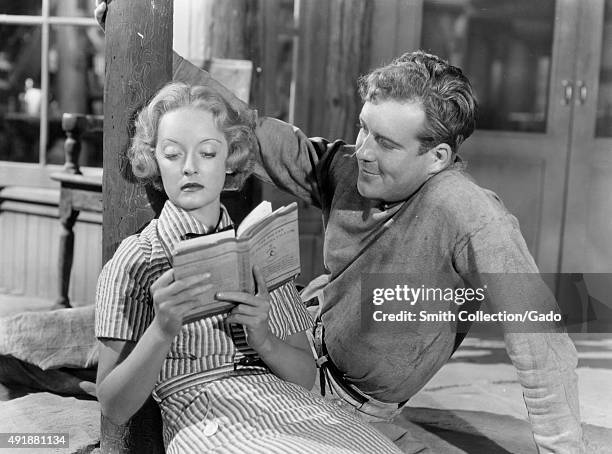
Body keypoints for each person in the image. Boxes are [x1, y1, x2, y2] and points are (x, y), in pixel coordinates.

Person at [94, 3, 584, 452]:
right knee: (116, 323)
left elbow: (541, 336)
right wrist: (133, 35)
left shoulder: (469, 213)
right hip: (290, 342)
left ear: (436, 157)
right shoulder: (350, 164)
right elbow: (245, 130)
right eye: (363, 127)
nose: (364, 150)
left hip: (338, 395)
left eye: (387, 143)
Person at [94, 82, 402, 454]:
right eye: (173, 154)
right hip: (210, 417)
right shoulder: (138, 258)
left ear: (230, 158)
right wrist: (161, 329)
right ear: (154, 160)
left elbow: (305, 375)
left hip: (288, 404)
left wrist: (263, 338)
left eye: (207, 153)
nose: (190, 167)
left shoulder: (258, 246)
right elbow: (113, 405)